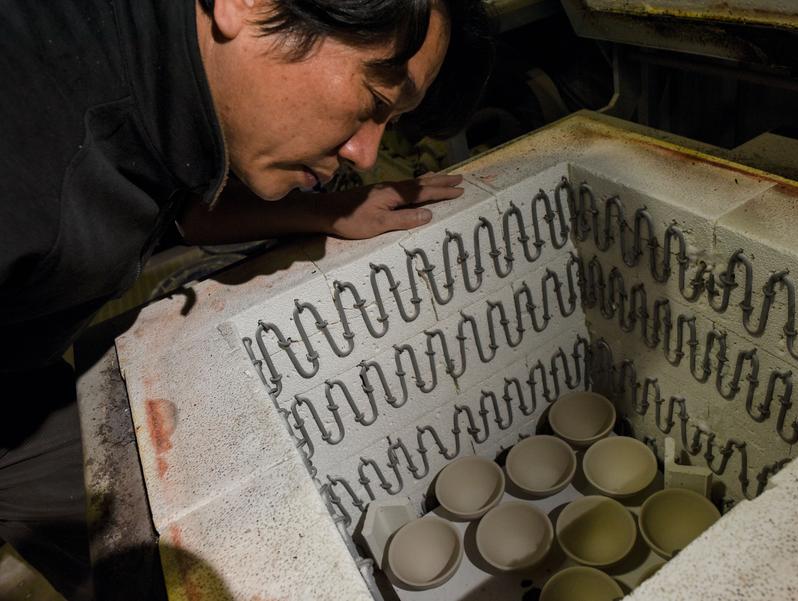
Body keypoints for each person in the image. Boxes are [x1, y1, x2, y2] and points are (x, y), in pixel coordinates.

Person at [0, 1, 493, 598]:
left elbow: (157, 195)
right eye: (375, 101)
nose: (366, 153)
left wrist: (318, 208)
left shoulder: (156, 59)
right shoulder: (28, 145)